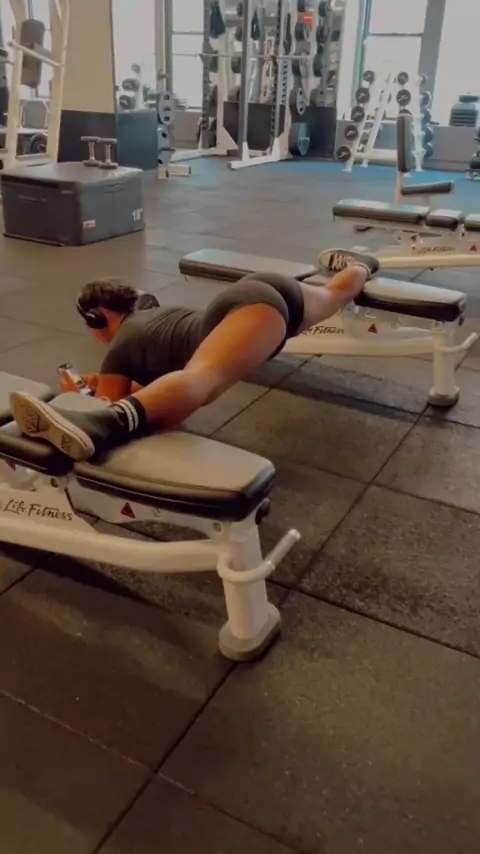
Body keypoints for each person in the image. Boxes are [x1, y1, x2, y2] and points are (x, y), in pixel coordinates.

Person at [9, 248, 379, 462]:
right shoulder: (150, 316)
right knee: (335, 295)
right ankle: (362, 265)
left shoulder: (120, 348)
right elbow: (151, 394)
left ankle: (104, 427)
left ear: (97, 319)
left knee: (203, 379)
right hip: (261, 290)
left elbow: (112, 403)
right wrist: (96, 383)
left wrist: (82, 398)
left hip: (250, 311)